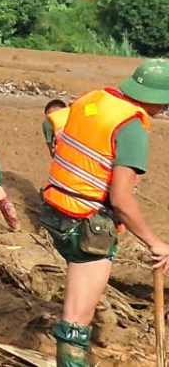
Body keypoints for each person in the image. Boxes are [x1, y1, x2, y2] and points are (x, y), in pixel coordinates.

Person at [40, 61, 169, 367]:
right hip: (85, 225)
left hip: (54, 208)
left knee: (81, 295)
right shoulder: (132, 127)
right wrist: (156, 243)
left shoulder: (92, 99)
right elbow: (121, 200)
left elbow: (54, 127)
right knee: (75, 322)